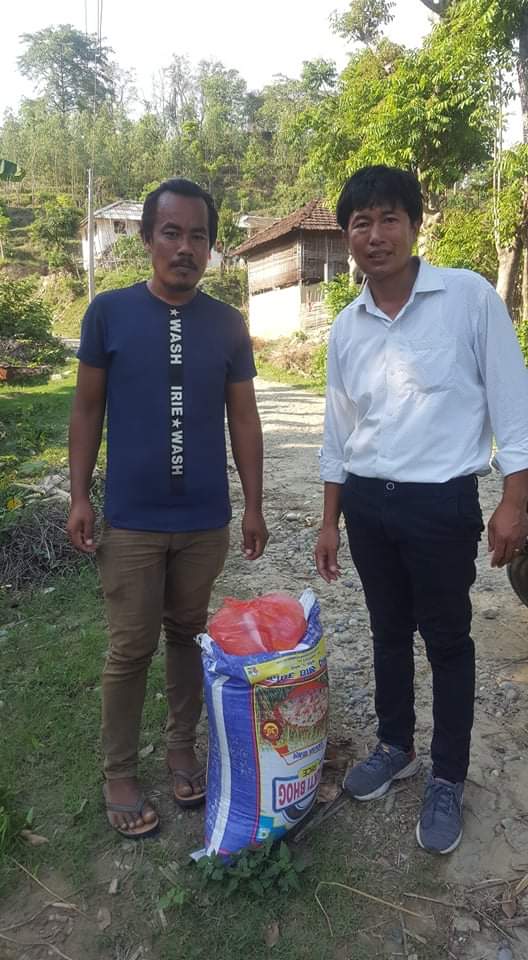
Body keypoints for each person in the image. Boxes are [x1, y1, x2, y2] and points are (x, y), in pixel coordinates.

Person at [315, 164, 528, 855]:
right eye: (361, 223)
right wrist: (328, 519)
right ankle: (396, 745)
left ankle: (447, 776)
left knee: (447, 639)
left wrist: (514, 501)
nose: (375, 235)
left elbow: (513, 406)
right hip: (368, 504)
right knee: (385, 631)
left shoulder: (467, 297)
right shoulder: (347, 328)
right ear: (347, 236)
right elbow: (338, 432)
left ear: (413, 224)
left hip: (441, 504)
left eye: (389, 218)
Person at [68, 178, 268, 839]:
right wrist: (79, 495)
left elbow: (244, 418)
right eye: (172, 233)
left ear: (212, 247)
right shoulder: (109, 314)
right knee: (130, 649)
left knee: (187, 636)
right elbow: (87, 409)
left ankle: (183, 748)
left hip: (203, 520)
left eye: (198, 236)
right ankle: (119, 773)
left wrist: (254, 505)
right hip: (131, 520)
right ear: (149, 238)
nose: (185, 248)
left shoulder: (228, 324)